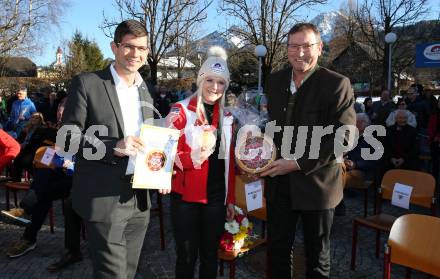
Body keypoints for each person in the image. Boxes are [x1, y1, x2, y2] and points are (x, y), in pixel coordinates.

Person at [61, 20, 159, 279]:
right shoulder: (87, 83)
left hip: (139, 199)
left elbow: (150, 139)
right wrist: (112, 146)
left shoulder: (145, 90)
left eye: (142, 48)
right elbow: (67, 139)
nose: (136, 54)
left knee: (127, 272)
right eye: (129, 46)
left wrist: (165, 160)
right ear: (114, 47)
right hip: (103, 199)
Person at [260, 23, 355, 278]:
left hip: (318, 185)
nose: (300, 53)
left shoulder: (337, 84)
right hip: (279, 183)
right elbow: (271, 127)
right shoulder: (275, 80)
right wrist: (257, 148)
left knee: (317, 257)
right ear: (287, 49)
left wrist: (297, 162)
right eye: (293, 46)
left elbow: (344, 137)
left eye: (306, 46)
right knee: (277, 251)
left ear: (320, 48)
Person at [166, 46, 235, 279]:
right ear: (200, 80)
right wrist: (188, 159)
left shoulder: (227, 117)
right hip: (186, 198)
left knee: (210, 256)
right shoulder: (181, 110)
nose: (215, 87)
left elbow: (229, 164)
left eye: (221, 82)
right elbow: (162, 153)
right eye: (210, 80)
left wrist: (230, 200)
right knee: (186, 257)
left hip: (216, 198)